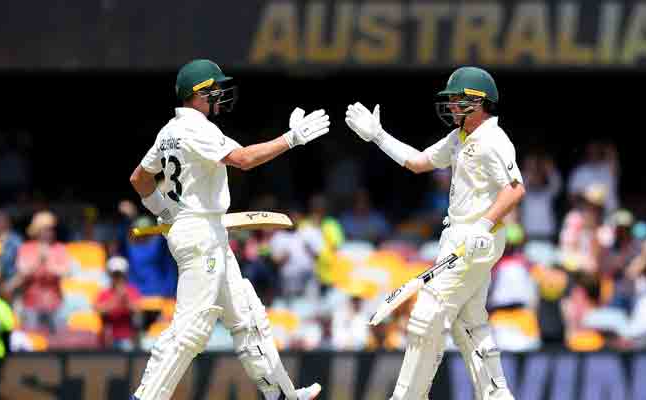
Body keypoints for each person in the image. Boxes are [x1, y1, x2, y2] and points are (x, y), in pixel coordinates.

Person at [128, 59, 328, 400]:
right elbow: (245, 159)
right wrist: (291, 138)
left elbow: (140, 179)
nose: (220, 94)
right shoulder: (197, 129)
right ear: (198, 94)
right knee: (191, 329)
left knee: (247, 317)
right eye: (214, 89)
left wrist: (165, 212)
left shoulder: (169, 131)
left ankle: (282, 395)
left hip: (204, 230)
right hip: (200, 234)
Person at [345, 66, 525, 400]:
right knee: (470, 324)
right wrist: (378, 136)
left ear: (479, 101)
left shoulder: (493, 139)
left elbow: (514, 189)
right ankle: (498, 396)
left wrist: (483, 226)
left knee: (426, 315)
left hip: (475, 239)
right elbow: (418, 162)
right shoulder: (460, 137)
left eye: (458, 99)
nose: (452, 105)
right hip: (458, 237)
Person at [95, 256, 141, 351]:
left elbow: (137, 310)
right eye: (115, 275)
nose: (118, 278)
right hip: (108, 340)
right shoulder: (104, 293)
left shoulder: (132, 291)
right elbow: (99, 310)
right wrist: (117, 298)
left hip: (127, 339)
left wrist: (125, 299)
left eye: (120, 275)